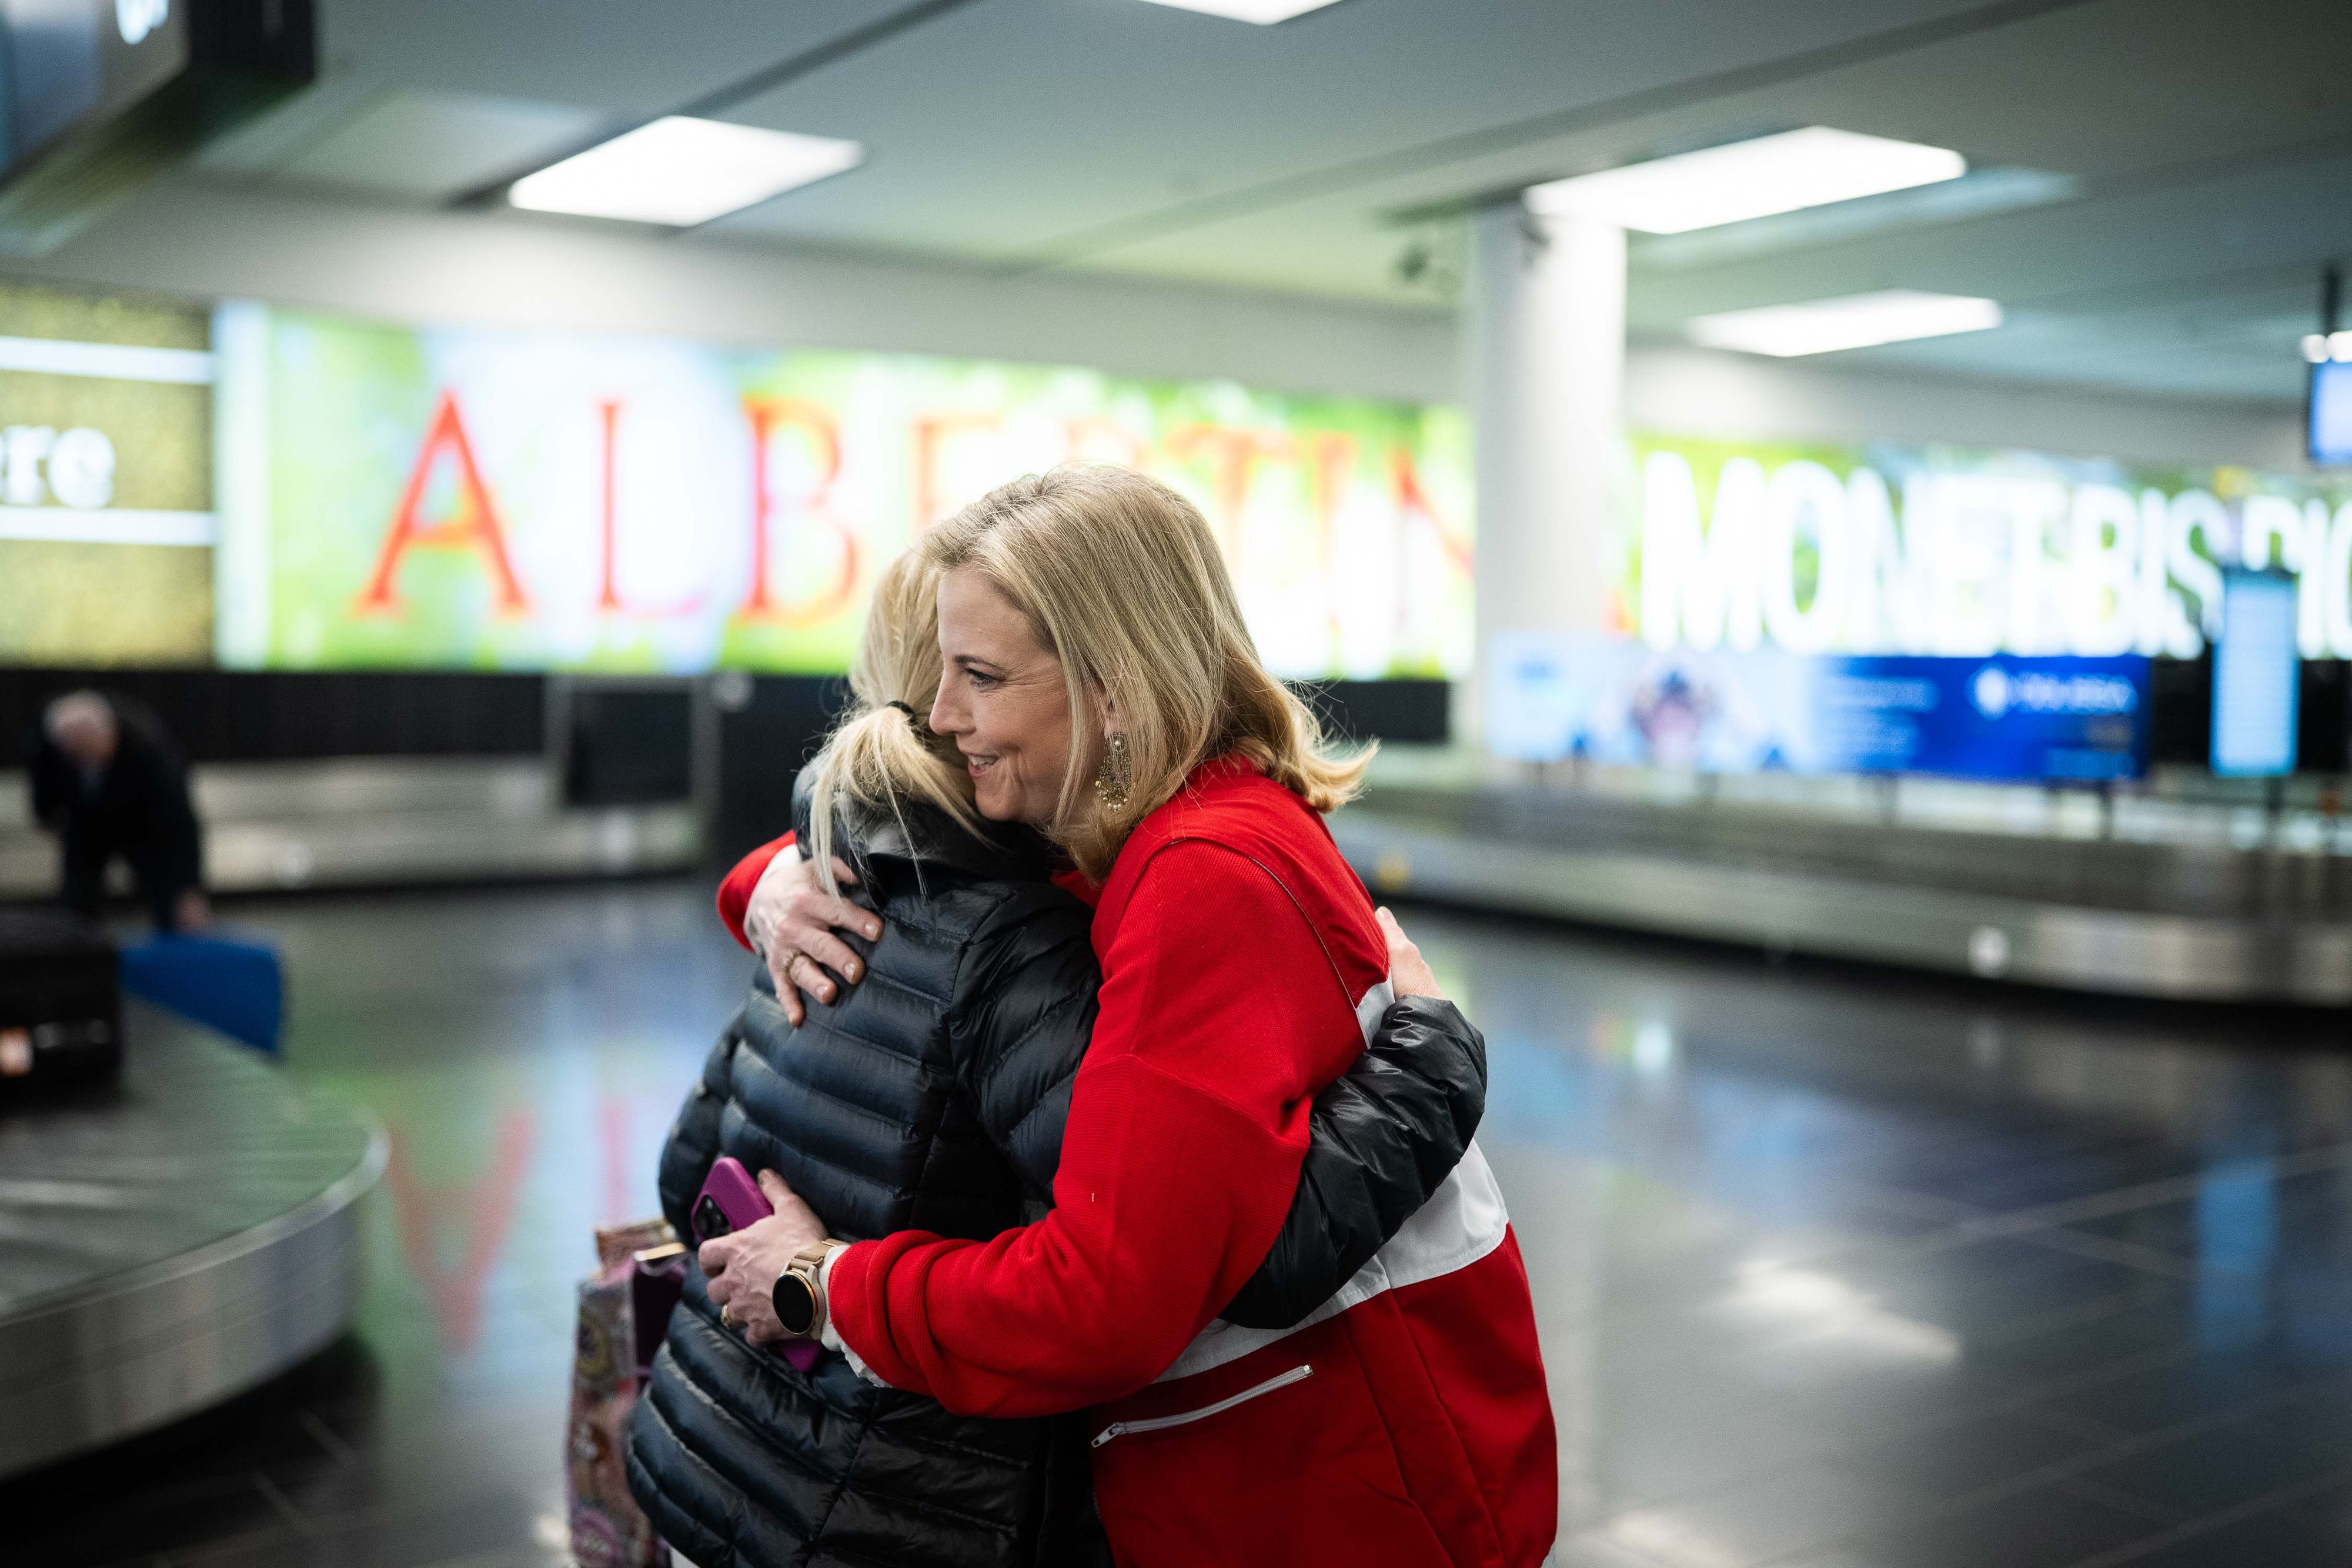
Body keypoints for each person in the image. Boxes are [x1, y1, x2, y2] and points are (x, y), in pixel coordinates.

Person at [703, 466, 1557, 1568]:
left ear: (1115, 684)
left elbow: (1104, 1300)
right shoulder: (1140, 833)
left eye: (979, 675)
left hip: (1342, 1493)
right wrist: (770, 878)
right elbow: (940, 862)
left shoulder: (1201, 877)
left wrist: (822, 1286)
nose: (941, 716)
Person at [28, 690, 210, 933]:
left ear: (108, 734)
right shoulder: (51, 749)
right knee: (77, 899)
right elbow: (43, 796)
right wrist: (52, 822)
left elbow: (181, 824)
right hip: (87, 823)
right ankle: (79, 955)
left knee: (171, 898)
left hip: (145, 827)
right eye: (74, 752)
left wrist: (189, 887)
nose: (83, 758)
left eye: (88, 748)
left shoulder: (151, 754)